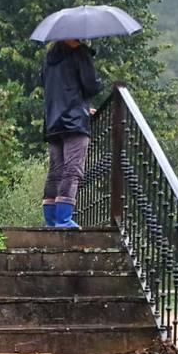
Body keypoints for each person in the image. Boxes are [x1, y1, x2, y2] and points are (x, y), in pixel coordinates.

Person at [41, 38, 102, 228]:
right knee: (72, 170)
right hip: (74, 121)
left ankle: (51, 220)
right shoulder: (80, 53)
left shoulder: (49, 58)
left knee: (55, 171)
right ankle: (63, 219)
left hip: (53, 121)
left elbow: (53, 87)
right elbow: (91, 86)